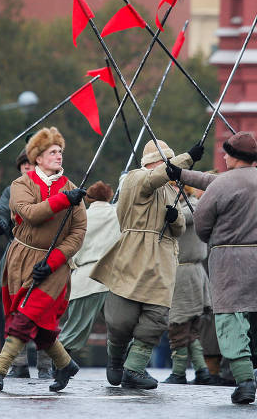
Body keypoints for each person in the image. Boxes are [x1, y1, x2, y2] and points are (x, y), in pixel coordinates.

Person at [172, 132, 257, 404]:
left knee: (230, 321)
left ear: (236, 155)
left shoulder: (226, 183)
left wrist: (211, 236)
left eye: (227, 152)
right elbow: (217, 181)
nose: (223, 156)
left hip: (230, 260)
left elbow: (203, 221)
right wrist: (181, 174)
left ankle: (244, 383)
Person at [90, 140, 201, 390]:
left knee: (156, 316)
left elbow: (181, 227)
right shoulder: (135, 178)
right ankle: (116, 357)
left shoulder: (172, 191)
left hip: (162, 259)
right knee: (120, 319)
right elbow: (153, 179)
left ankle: (134, 369)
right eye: (167, 162)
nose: (171, 170)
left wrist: (174, 220)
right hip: (133, 253)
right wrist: (187, 158)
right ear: (152, 162)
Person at [0, 126, 86, 392]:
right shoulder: (21, 185)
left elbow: (78, 232)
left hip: (54, 265)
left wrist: (53, 262)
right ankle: (65, 365)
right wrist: (63, 200)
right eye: (52, 152)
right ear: (38, 158)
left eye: (60, 152)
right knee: (37, 322)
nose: (58, 156)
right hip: (21, 258)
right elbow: (30, 213)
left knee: (26, 315)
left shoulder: (72, 188)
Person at [59, 181, 121, 355]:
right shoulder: (117, 213)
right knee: (120, 330)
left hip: (83, 279)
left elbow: (69, 249)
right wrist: (123, 181)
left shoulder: (79, 217)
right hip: (112, 278)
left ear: (88, 199)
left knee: (73, 330)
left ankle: (59, 365)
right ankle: (123, 367)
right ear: (109, 196)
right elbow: (126, 202)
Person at [162, 185, 212, 386]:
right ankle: (202, 371)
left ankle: (179, 372)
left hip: (184, 273)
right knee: (190, 330)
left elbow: (177, 219)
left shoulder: (190, 208)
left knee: (178, 326)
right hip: (191, 273)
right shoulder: (192, 206)